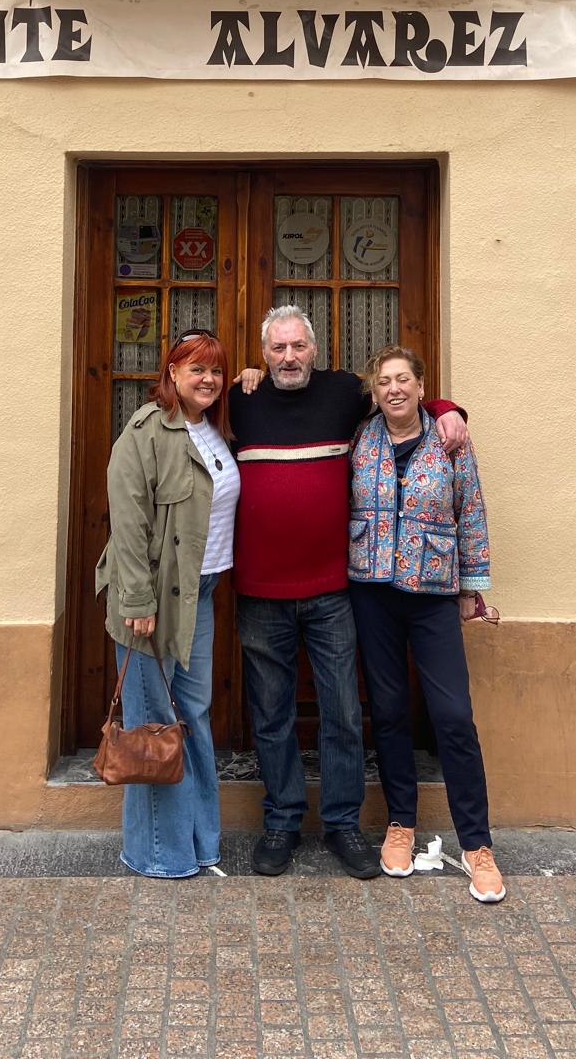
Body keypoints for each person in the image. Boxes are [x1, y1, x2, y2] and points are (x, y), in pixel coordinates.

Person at [229, 305, 468, 879]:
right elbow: (189, 403)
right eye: (278, 348)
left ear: (315, 350)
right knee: (272, 714)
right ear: (263, 355)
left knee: (342, 713)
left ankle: (341, 824)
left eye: (298, 347)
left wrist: (447, 409)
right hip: (260, 590)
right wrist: (239, 376)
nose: (289, 357)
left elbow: (398, 398)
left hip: (333, 588)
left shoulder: (342, 393)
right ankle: (282, 823)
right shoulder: (240, 397)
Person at [348, 344, 505, 903]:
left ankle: (477, 844)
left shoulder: (449, 438)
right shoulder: (360, 438)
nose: (393, 389)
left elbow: (472, 510)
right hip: (372, 591)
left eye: (403, 380)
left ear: (420, 388)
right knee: (387, 711)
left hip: (434, 591)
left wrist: (472, 587)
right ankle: (401, 825)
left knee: (453, 716)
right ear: (375, 392)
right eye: (383, 381)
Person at [96, 330, 240, 879]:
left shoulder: (215, 430)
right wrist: (136, 597)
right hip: (152, 599)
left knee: (192, 718)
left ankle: (201, 842)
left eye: (216, 371)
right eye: (195, 369)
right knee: (154, 723)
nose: (207, 380)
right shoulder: (145, 431)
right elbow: (127, 518)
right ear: (172, 374)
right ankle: (159, 853)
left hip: (199, 593)